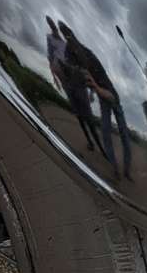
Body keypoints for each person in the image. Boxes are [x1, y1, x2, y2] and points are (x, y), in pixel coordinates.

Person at [59, 22, 133, 181]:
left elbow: (111, 96)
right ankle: (115, 169)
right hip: (101, 95)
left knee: (124, 136)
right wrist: (93, 90)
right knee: (106, 134)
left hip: (111, 95)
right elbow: (88, 76)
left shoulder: (87, 55)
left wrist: (96, 89)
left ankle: (126, 171)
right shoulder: (78, 58)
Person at [47, 17, 100, 152]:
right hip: (66, 82)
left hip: (77, 81)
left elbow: (82, 65)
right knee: (78, 114)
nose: (53, 26)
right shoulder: (50, 39)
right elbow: (50, 58)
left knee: (87, 114)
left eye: (53, 23)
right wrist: (55, 78)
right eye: (50, 23)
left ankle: (99, 145)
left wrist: (91, 90)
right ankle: (90, 141)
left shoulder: (67, 45)